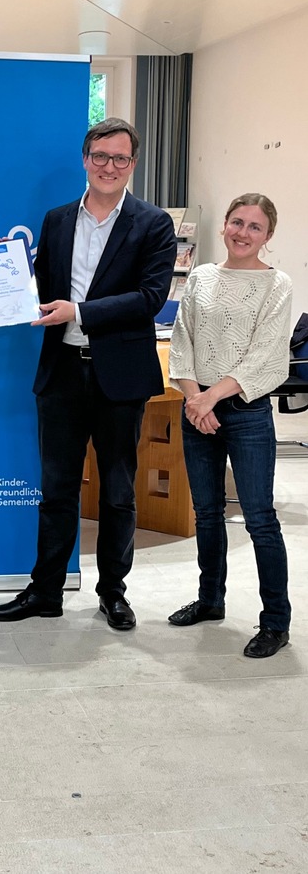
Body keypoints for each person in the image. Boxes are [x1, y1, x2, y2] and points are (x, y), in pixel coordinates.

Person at [0, 117, 177, 629]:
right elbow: (42, 286)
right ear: (85, 159)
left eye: (120, 158)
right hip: (62, 373)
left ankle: (113, 593)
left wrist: (81, 312)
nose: (109, 166)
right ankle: (46, 592)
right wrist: (4, 270)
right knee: (56, 491)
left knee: (117, 492)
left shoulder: (154, 223)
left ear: (133, 164)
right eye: (100, 156)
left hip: (120, 377)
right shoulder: (57, 220)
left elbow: (150, 298)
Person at [168, 193, 292, 658]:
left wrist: (210, 397)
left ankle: (275, 622)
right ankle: (210, 600)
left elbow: (266, 356)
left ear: (268, 235)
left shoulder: (277, 285)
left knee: (260, 519)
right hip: (197, 408)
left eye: (254, 227)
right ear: (224, 225)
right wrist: (194, 399)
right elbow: (182, 341)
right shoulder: (200, 277)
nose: (243, 233)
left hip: (246, 412)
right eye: (237, 222)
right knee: (206, 512)